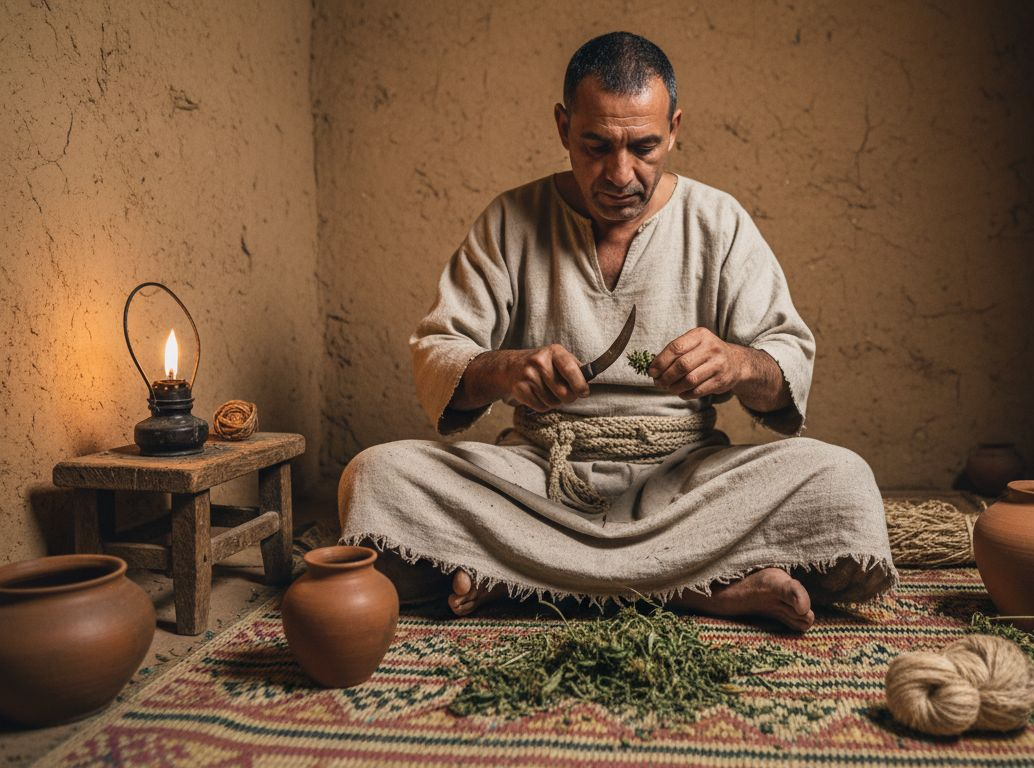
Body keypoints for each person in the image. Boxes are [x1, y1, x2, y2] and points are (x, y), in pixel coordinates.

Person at [338, 31, 895, 631]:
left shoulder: (719, 221)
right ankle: (701, 589)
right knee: (376, 477)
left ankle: (520, 581)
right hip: (539, 477)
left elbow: (787, 364)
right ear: (563, 128)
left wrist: (737, 364)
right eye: (596, 146)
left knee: (841, 482)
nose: (620, 173)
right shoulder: (511, 219)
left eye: (644, 147)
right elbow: (439, 351)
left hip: (685, 482)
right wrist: (506, 369)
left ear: (674, 129)